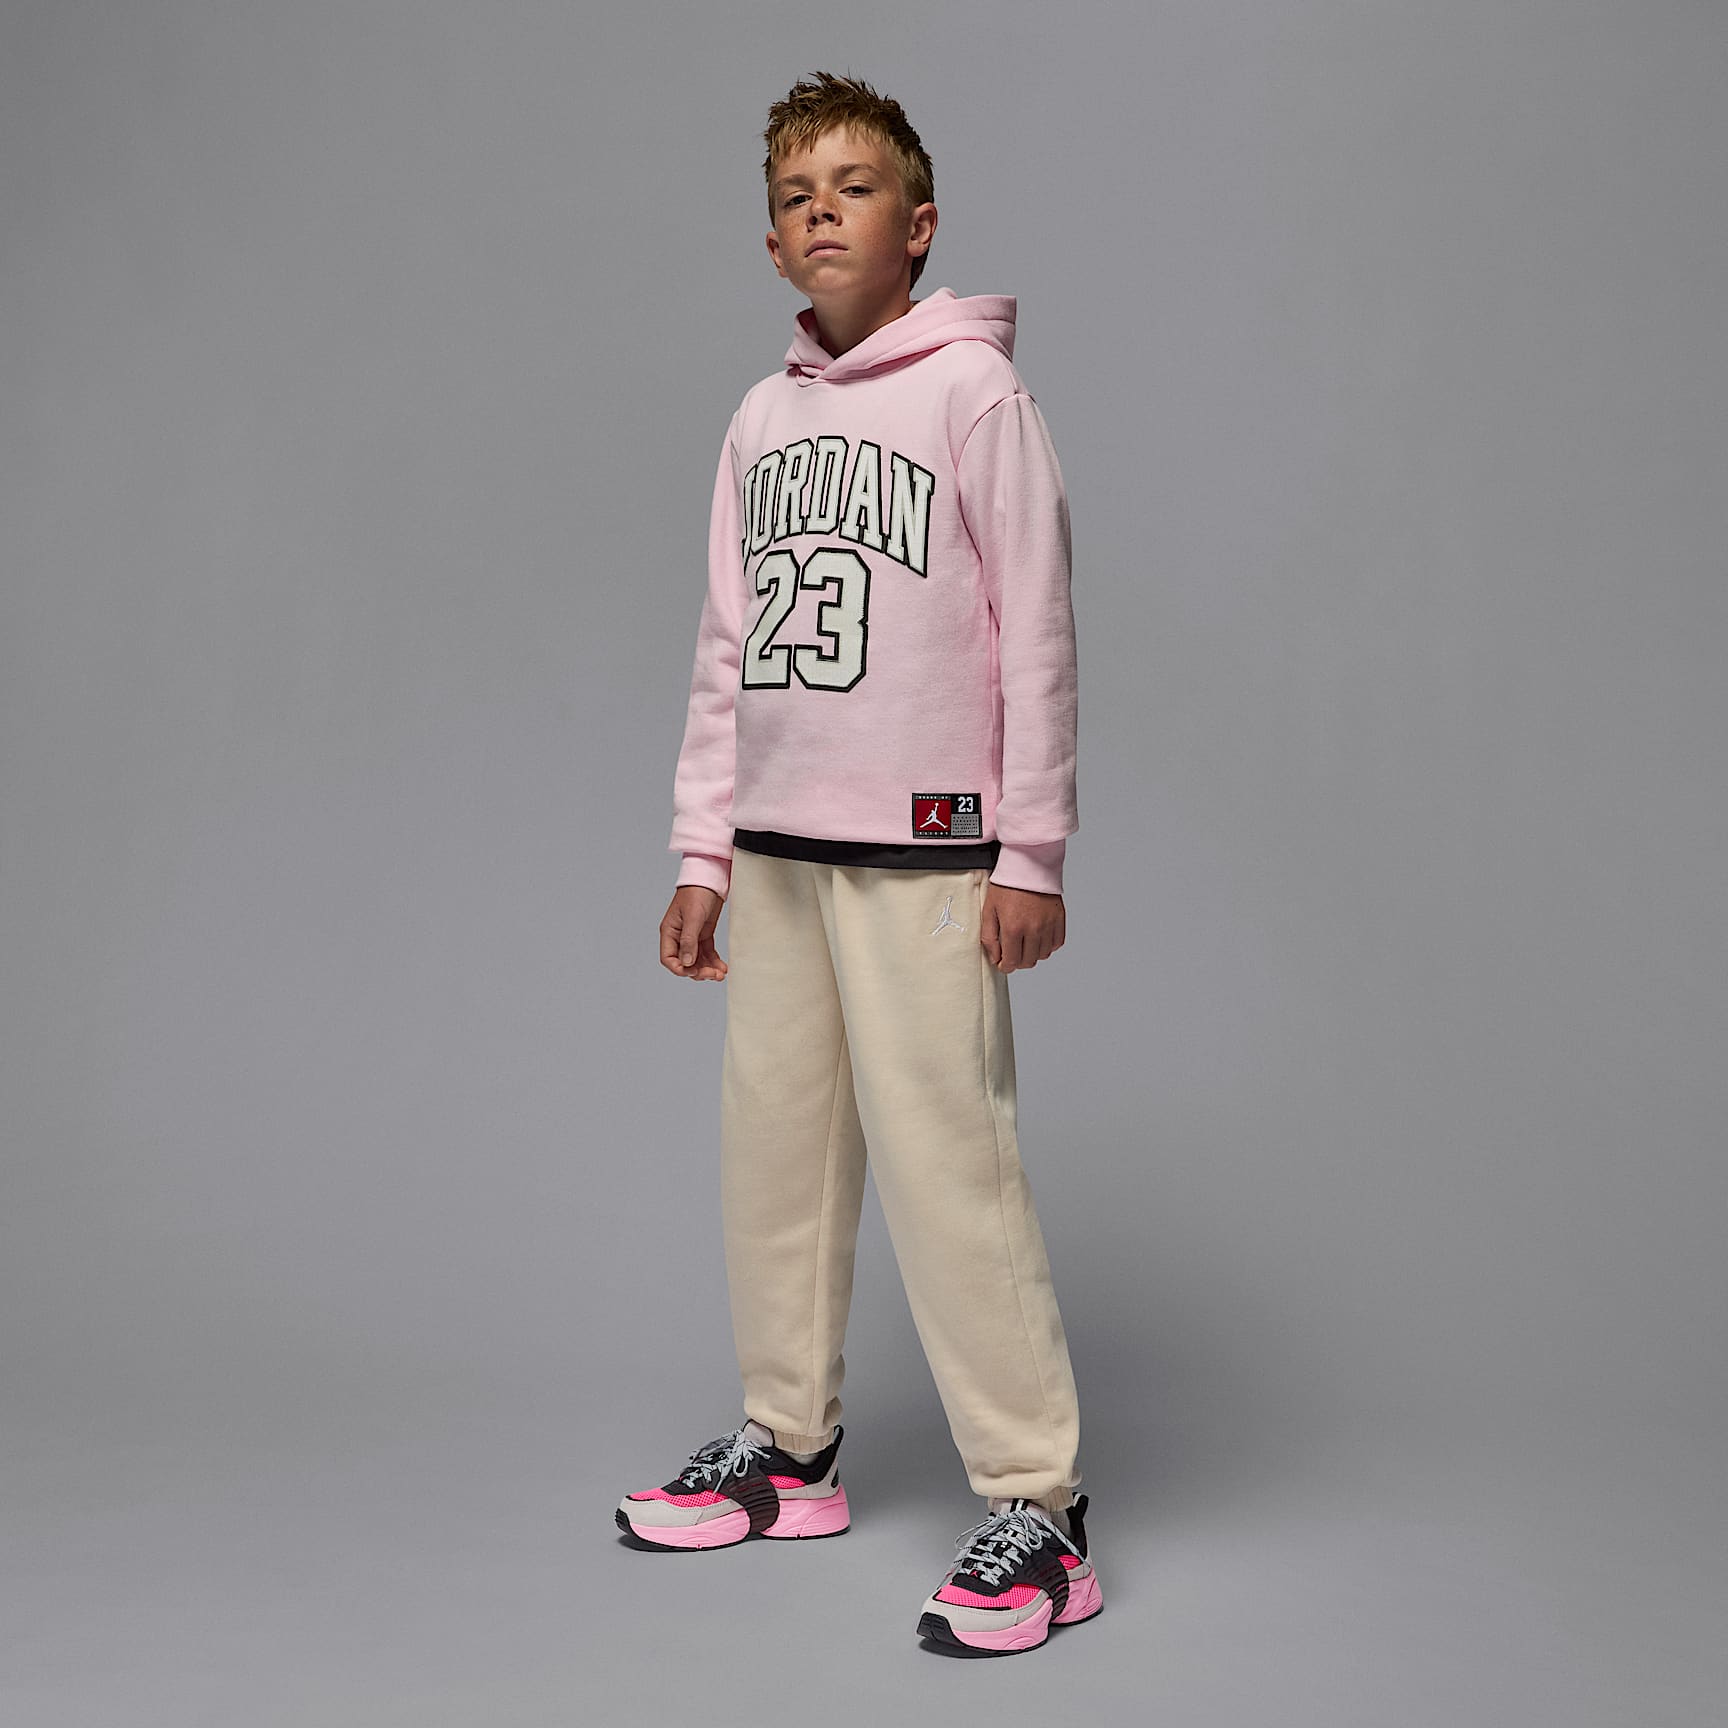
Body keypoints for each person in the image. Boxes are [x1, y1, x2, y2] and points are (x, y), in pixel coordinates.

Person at [614, 70, 1101, 1655]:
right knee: (777, 1158)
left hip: (928, 853)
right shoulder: (758, 420)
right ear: (774, 245)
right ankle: (788, 1450)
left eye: (857, 186)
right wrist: (702, 846)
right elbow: (724, 649)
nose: (824, 211)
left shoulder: (976, 397)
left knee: (953, 1164)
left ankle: (1041, 1506)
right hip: (777, 852)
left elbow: (1037, 634)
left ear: (922, 224)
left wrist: (1031, 849)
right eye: (796, 196)